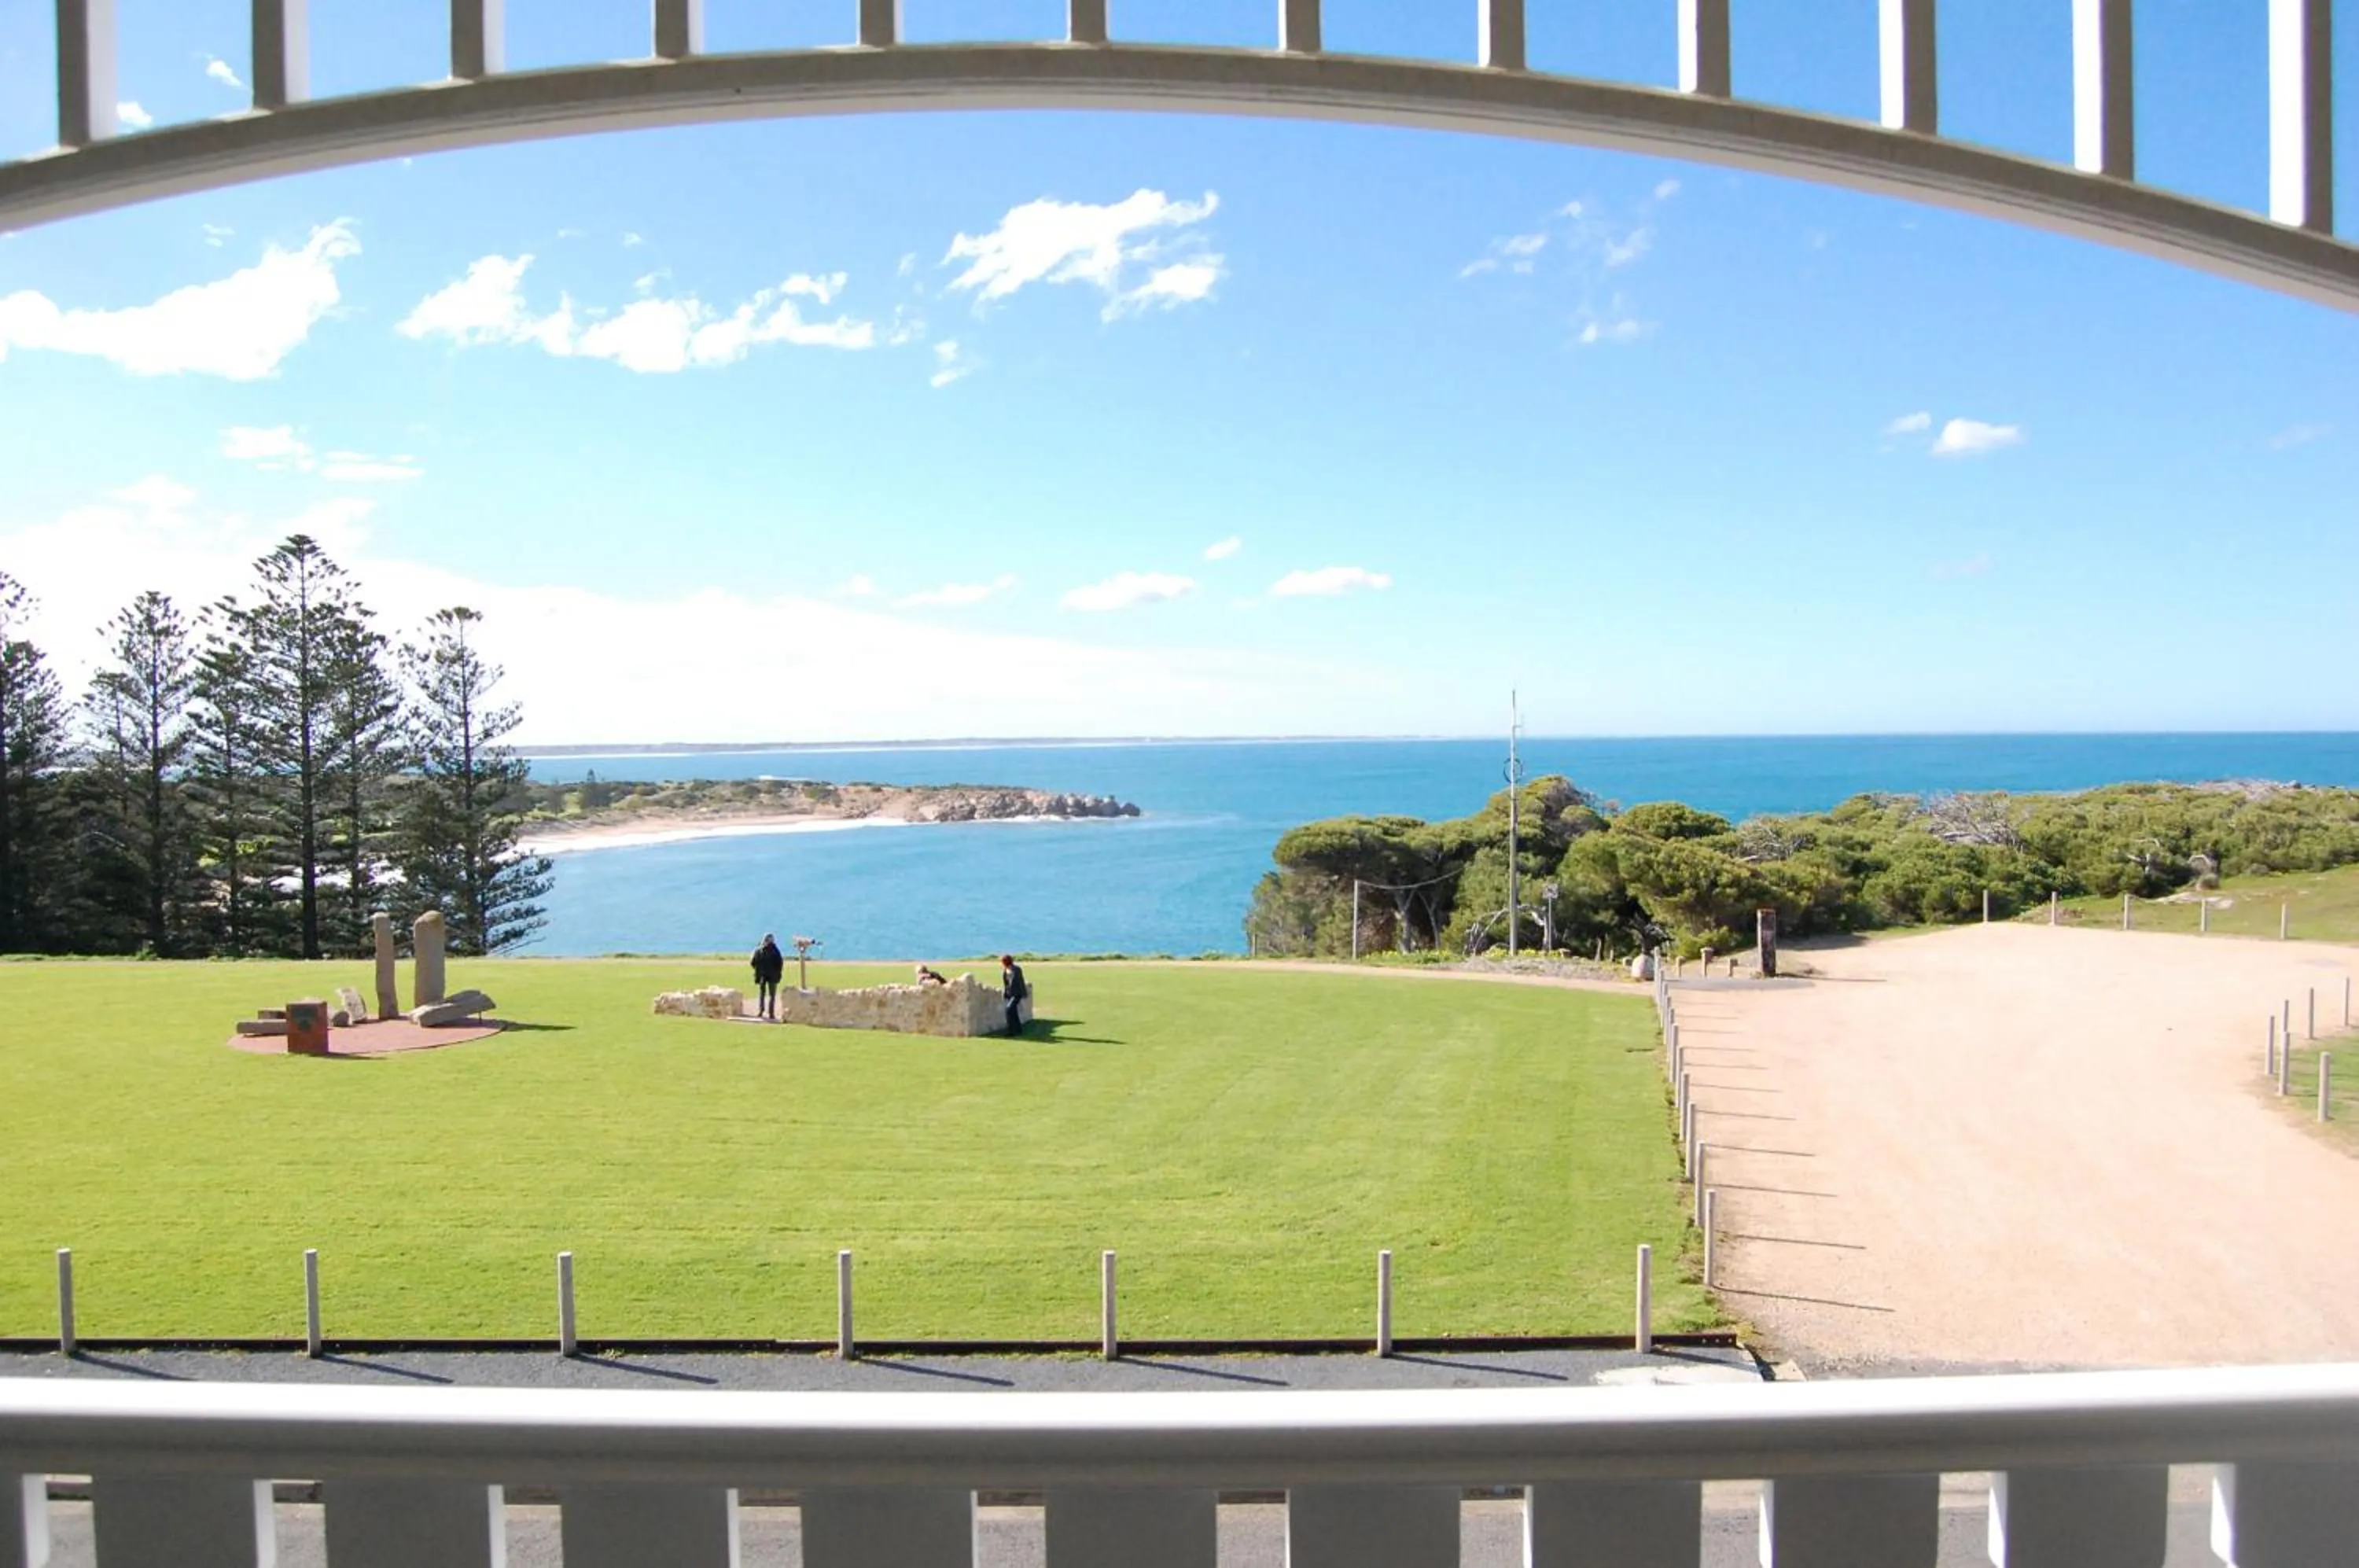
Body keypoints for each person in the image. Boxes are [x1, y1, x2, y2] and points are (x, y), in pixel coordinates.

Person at [750, 933, 785, 1020]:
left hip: (762, 975)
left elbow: (753, 962)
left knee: (762, 993)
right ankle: (771, 1013)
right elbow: (780, 963)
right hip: (772, 976)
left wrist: (758, 970)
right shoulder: (775, 951)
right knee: (772, 995)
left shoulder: (759, 950)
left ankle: (761, 1011)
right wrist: (778, 973)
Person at [999, 953, 1029, 1036]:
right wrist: (1005, 993)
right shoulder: (1005, 971)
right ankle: (1018, 1030)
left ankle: (1011, 1031)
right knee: (1013, 1012)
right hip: (1010, 994)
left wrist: (1023, 993)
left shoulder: (1017, 969)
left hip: (1017, 993)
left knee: (1009, 1010)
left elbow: (1020, 982)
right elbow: (1006, 984)